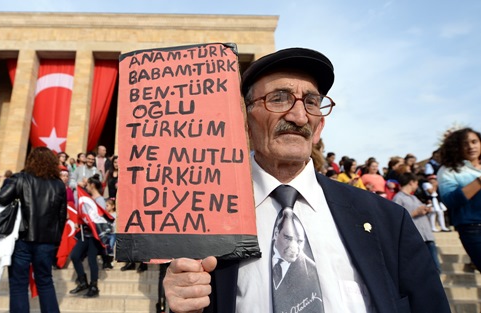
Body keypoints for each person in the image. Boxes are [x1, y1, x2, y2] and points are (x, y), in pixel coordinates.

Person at [163, 47, 449, 313]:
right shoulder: (202, 220)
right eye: (278, 98)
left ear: (319, 125)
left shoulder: (388, 220)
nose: (299, 116)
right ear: (244, 119)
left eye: (311, 102)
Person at [0, 147, 67, 313]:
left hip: (21, 239)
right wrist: (56, 241)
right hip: (47, 241)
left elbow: (1, 198)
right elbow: (62, 217)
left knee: (19, 284)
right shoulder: (58, 185)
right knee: (45, 282)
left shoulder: (21, 178)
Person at [437, 127, 481, 272]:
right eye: (465, 143)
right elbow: (450, 200)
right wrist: (478, 182)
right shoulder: (449, 170)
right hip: (473, 228)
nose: (471, 147)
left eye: (474, 142)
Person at [69, 174, 111, 298]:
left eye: (87, 185)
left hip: (95, 235)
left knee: (92, 259)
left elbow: (99, 219)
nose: (86, 187)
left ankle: (94, 286)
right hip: (85, 234)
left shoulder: (100, 201)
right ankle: (83, 282)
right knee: (75, 255)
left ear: (92, 185)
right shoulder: (89, 198)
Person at [392, 172, 440, 273]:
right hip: (415, 238)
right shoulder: (398, 198)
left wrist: (426, 210)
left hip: (427, 236)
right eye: (416, 183)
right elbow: (395, 219)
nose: (417, 186)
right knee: (422, 270)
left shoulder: (414, 197)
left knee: (435, 269)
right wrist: (415, 212)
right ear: (411, 182)